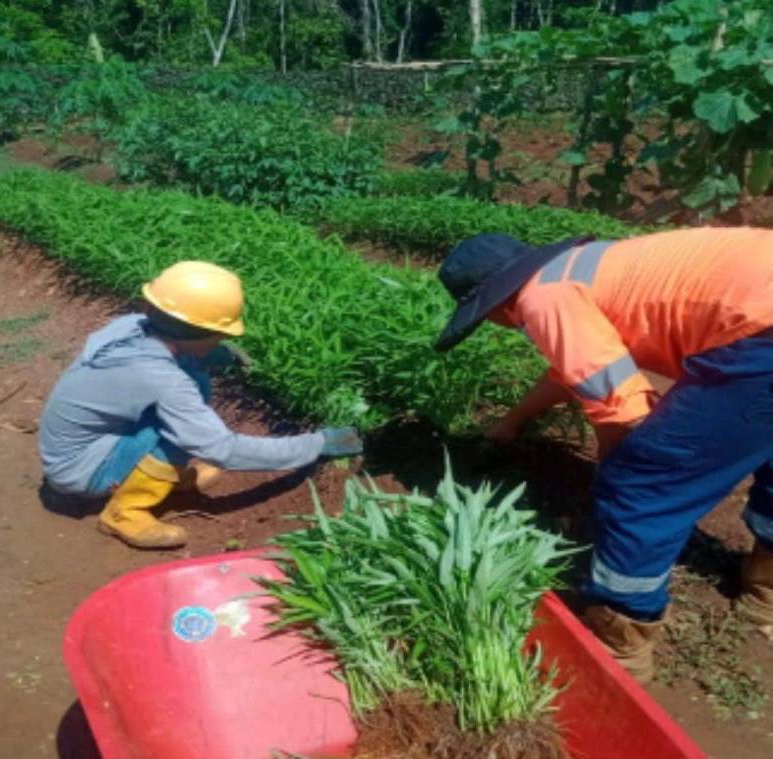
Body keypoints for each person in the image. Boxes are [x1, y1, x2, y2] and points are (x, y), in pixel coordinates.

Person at [434, 228, 773, 683]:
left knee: (642, 484)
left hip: (763, 335)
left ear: (495, 305)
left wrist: (611, 480)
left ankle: (621, 646)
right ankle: (765, 589)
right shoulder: (577, 269)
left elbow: (622, 409)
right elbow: (572, 373)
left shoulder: (543, 300)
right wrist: (510, 423)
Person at [39, 261, 363, 550]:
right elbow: (221, 450)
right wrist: (318, 443)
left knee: (187, 391)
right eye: (219, 336)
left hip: (72, 450)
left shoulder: (132, 325)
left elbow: (178, 352)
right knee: (179, 432)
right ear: (198, 333)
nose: (223, 341)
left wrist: (217, 355)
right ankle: (124, 512)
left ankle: (159, 478)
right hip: (82, 472)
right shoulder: (164, 379)